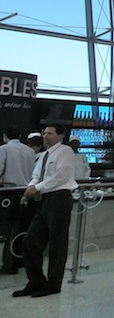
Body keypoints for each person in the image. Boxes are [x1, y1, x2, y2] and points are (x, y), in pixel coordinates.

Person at [14, 124, 78, 297]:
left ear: (60, 135)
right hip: (44, 200)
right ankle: (36, 281)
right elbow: (36, 175)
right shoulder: (44, 155)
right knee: (30, 241)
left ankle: (53, 284)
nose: (45, 136)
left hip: (59, 198)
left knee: (57, 243)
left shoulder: (65, 152)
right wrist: (31, 188)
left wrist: (38, 187)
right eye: (44, 133)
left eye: (50, 133)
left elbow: (62, 175)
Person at [1, 125, 37, 275]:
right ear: (21, 135)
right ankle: (19, 261)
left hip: (8, 193)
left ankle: (8, 265)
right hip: (26, 192)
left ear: (5, 136)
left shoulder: (4, 149)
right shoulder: (29, 151)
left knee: (6, 230)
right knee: (22, 228)